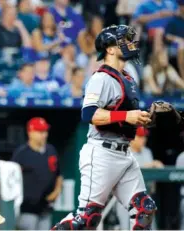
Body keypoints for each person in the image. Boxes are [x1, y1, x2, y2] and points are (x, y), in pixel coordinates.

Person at [51, 25, 157, 230]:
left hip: (124, 154)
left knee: (145, 209)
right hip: (102, 153)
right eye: (124, 40)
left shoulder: (128, 78)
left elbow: (126, 117)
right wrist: (128, 115)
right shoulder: (101, 78)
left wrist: (147, 118)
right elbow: (89, 114)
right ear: (109, 49)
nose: (130, 44)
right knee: (86, 220)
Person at [11, 117, 63, 230]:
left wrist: (57, 191)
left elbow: (58, 174)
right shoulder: (21, 153)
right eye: (40, 132)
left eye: (45, 131)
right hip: (27, 209)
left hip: (45, 209)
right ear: (30, 132)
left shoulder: (51, 150)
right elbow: (11, 179)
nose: (44, 135)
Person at [116, 126, 163, 230]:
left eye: (144, 137)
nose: (143, 140)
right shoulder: (123, 151)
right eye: (140, 136)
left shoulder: (147, 152)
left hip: (145, 199)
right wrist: (151, 165)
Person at [164, 0, 184, 79]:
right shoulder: (174, 20)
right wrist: (177, 39)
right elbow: (167, 35)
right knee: (182, 47)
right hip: (176, 46)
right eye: (182, 5)